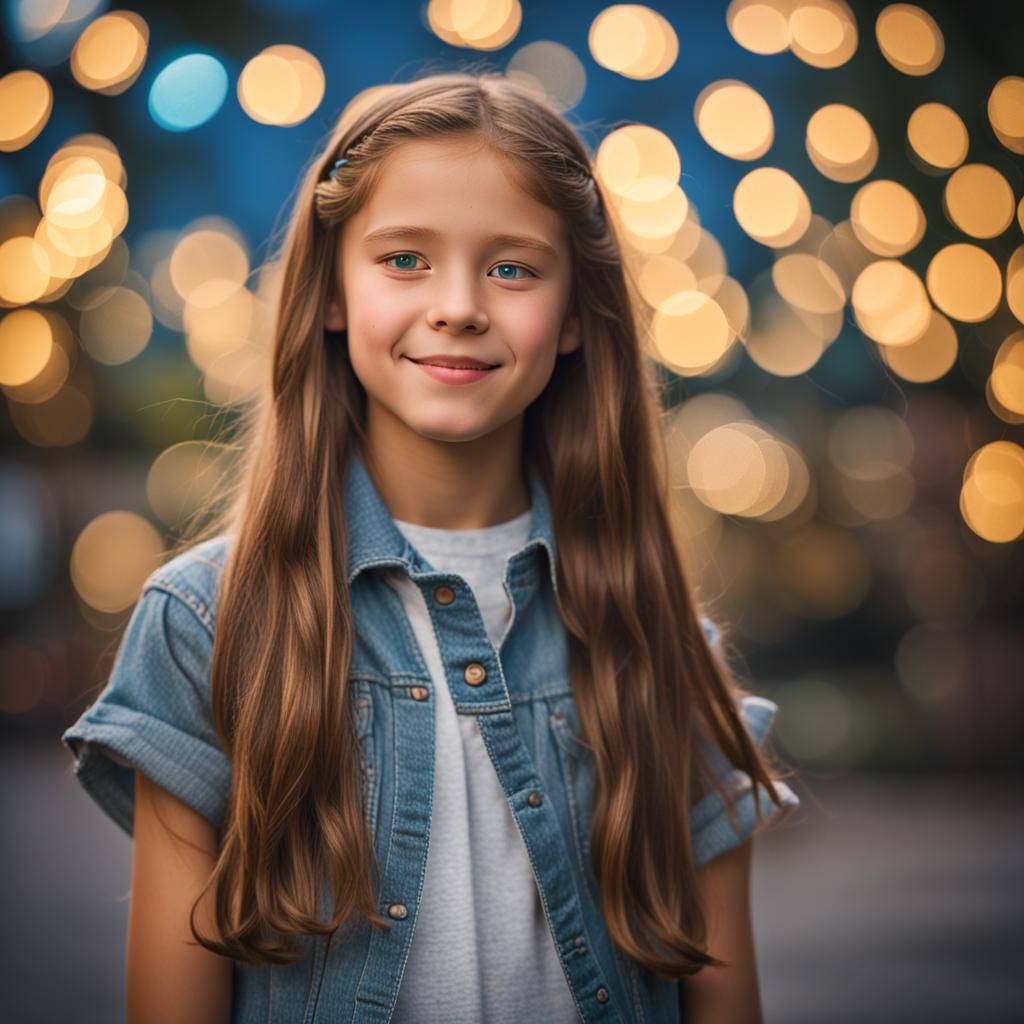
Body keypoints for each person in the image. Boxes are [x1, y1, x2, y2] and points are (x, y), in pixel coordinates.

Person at [62, 70, 800, 1024]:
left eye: (513, 268)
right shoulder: (205, 626)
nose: (458, 304)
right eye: (404, 259)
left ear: (577, 315)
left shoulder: (661, 647)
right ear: (330, 293)